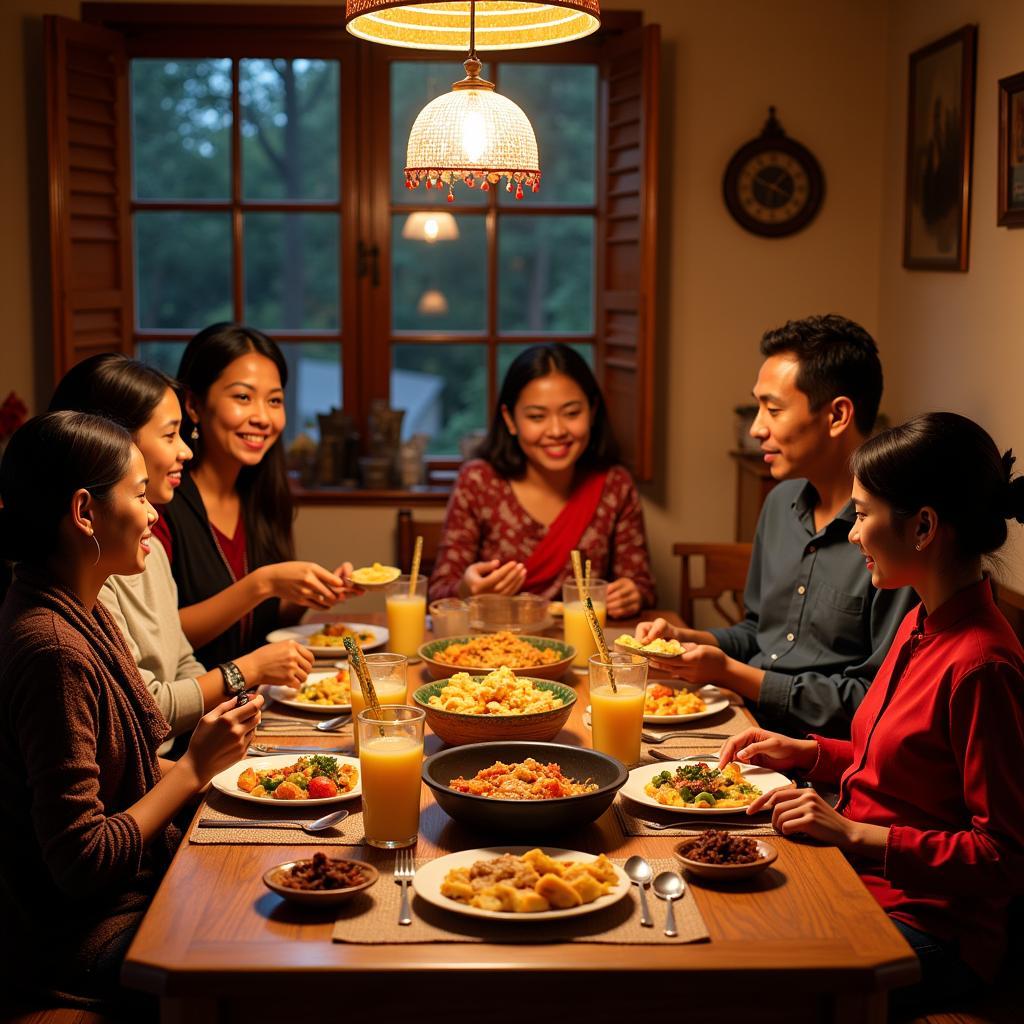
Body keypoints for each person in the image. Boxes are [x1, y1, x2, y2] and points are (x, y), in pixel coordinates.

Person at [717, 412, 1024, 1010]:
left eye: (861, 514)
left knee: (736, 983)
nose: (852, 534)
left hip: (930, 929)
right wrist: (812, 752)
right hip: (858, 879)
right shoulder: (919, 620)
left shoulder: (983, 665)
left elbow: (1005, 858)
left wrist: (854, 833)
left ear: (924, 527)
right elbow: (909, 764)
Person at [0, 411, 263, 1006]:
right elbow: (82, 860)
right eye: (140, 495)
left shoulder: (82, 606)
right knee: (267, 958)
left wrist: (240, 777)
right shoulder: (52, 647)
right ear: (83, 513)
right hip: (81, 937)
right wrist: (196, 769)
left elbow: (126, 777)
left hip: (132, 894)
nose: (152, 514)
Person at [637, 314, 917, 735]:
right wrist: (688, 639)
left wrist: (732, 674)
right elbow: (760, 634)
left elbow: (872, 699)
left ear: (838, 415)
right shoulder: (781, 502)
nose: (756, 429)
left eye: (773, 409)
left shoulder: (893, 534)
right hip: (746, 723)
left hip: (821, 756)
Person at [50, 354, 314, 740]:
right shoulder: (84, 574)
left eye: (275, 400)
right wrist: (246, 671)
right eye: (170, 434)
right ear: (111, 442)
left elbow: (181, 657)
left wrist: (237, 713)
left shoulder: (147, 544)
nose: (186, 451)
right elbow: (144, 709)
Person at [155, 322, 357, 667]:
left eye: (274, 400)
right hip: (196, 711)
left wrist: (308, 594)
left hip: (263, 699)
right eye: (243, 397)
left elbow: (267, 627)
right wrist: (264, 583)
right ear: (193, 405)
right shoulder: (161, 501)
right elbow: (159, 637)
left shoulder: (263, 497)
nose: (263, 417)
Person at [429, 343, 656, 617]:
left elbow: (643, 585)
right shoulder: (479, 481)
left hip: (586, 649)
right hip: (493, 650)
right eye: (537, 417)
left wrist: (631, 594)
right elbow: (439, 592)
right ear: (510, 419)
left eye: (572, 413)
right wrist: (468, 589)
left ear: (592, 412)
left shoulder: (614, 485)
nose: (557, 431)